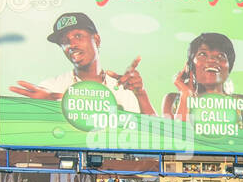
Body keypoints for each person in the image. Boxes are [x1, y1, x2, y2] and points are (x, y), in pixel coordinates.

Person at [10, 12, 154, 114]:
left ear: (96, 40)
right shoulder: (51, 88)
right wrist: (43, 109)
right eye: (64, 41)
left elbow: (153, 137)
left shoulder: (123, 88)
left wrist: (140, 94)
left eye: (78, 36)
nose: (71, 44)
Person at [162, 32, 243, 130]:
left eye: (221, 56)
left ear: (229, 66)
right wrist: (185, 95)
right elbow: (176, 141)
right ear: (189, 66)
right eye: (203, 54)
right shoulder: (172, 101)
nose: (213, 60)